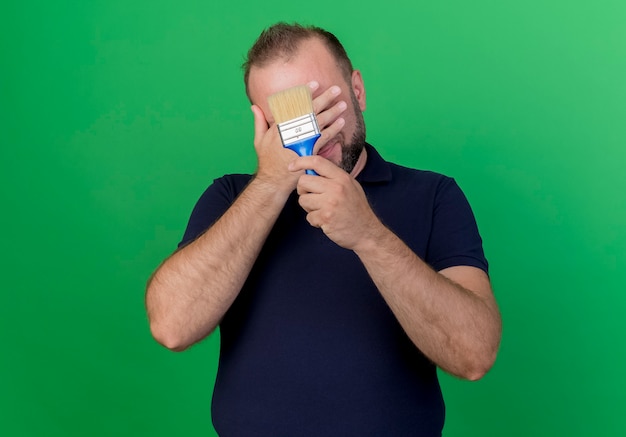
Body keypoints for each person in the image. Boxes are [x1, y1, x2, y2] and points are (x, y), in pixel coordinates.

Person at [146, 22, 502, 436]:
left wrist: (368, 234)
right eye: (291, 117)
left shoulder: (434, 195)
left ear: (358, 91)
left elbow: (474, 354)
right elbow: (171, 326)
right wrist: (270, 185)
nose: (315, 130)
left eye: (324, 104)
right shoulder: (231, 197)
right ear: (262, 125)